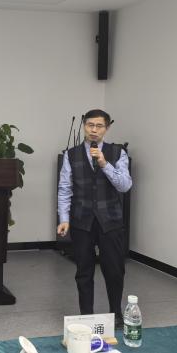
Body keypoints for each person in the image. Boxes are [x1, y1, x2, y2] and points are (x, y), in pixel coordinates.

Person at [57, 109, 132, 328]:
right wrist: (64, 218)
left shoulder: (118, 153)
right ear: (84, 125)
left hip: (111, 221)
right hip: (82, 220)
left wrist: (104, 164)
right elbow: (65, 188)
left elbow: (125, 186)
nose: (94, 130)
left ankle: (116, 313)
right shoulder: (71, 155)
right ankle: (86, 316)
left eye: (99, 126)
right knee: (84, 271)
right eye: (90, 125)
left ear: (107, 128)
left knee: (114, 270)